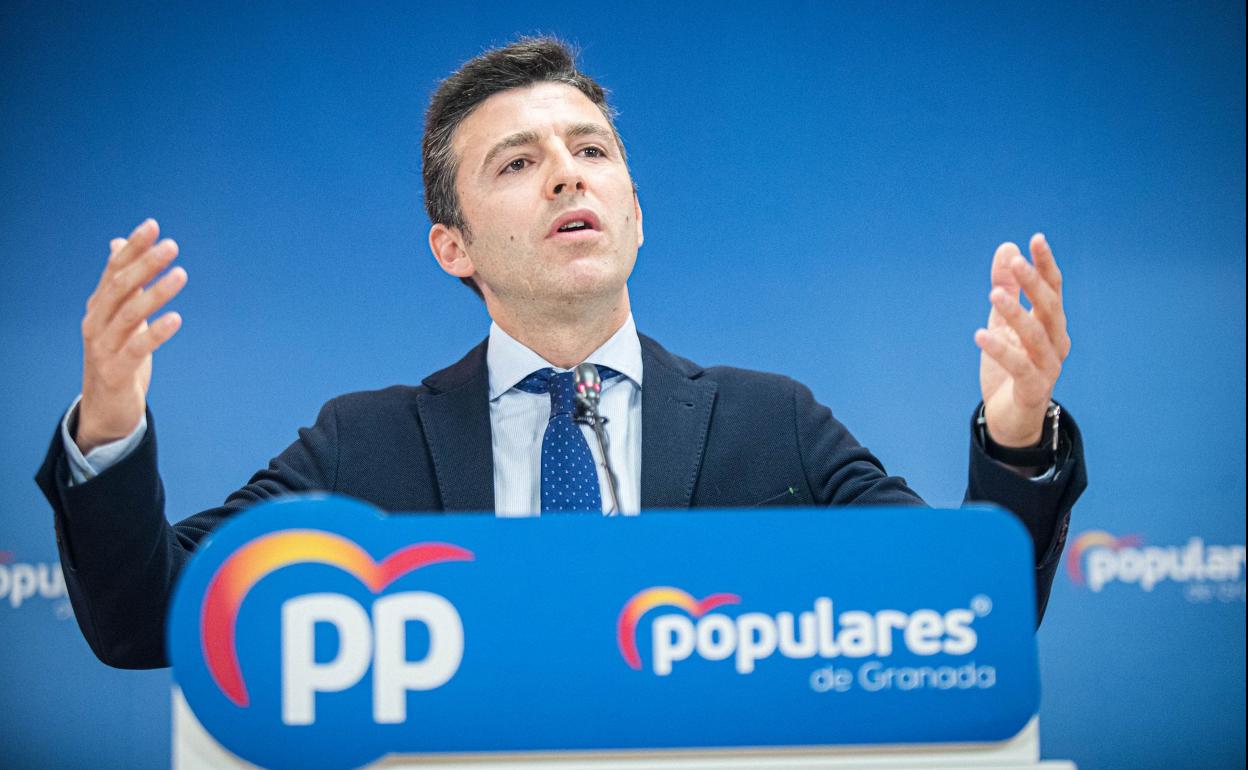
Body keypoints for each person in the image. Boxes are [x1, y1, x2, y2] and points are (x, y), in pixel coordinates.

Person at [35, 38, 1085, 669]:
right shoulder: (364, 444)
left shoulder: (776, 423)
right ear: (452, 246)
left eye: (591, 151)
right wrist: (111, 426)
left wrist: (1014, 437)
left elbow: (962, 611)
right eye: (517, 163)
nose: (568, 176)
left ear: (636, 213)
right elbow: (147, 619)